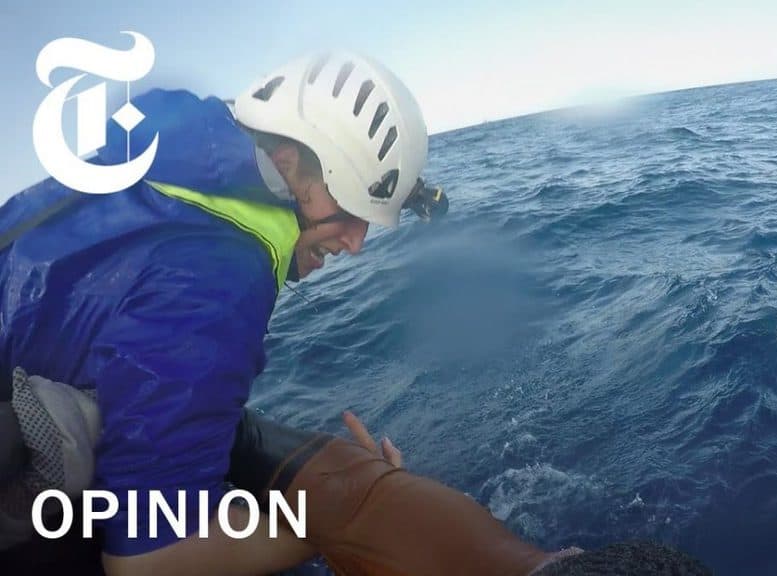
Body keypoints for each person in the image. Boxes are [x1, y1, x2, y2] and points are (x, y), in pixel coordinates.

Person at [0, 51, 711, 575]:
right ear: (292, 161)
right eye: (349, 206)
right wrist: (334, 521)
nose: (356, 242)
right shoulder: (220, 277)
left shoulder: (169, 144)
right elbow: (148, 561)